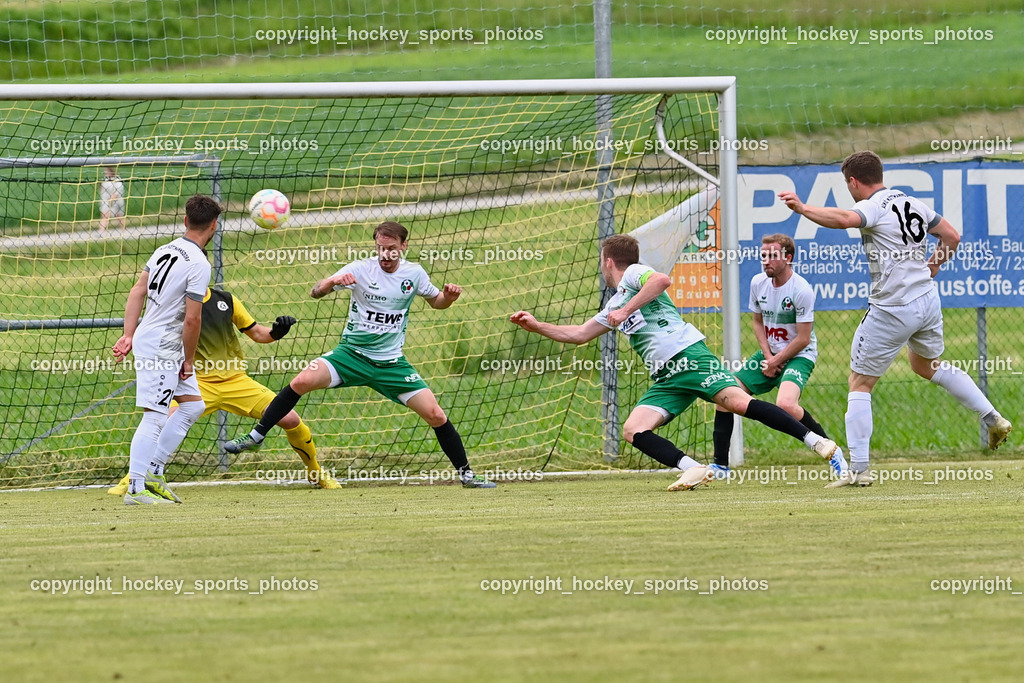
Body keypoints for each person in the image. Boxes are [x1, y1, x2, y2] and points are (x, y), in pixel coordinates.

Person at [509, 234, 840, 492]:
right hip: (667, 377)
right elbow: (580, 334)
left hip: (688, 356)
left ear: (609, 261)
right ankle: (693, 468)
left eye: (601, 263)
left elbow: (662, 281)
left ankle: (818, 442)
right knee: (633, 430)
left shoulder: (635, 274)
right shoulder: (615, 300)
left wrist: (624, 311)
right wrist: (538, 326)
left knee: (738, 403)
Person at [779, 150, 1012, 488]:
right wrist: (933, 265)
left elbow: (844, 219)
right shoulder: (913, 203)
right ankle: (992, 417)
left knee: (860, 383)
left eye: (848, 185)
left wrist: (802, 208)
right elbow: (952, 236)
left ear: (854, 182)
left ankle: (858, 471)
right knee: (926, 366)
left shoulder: (872, 206)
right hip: (927, 301)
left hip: (893, 307)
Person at [223, 221, 497, 489]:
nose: (385, 255)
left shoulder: (414, 274)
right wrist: (332, 281)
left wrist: (448, 297)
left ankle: (467, 476)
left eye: (391, 248)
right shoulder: (360, 269)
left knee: (436, 414)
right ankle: (257, 435)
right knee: (300, 381)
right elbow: (315, 292)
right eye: (380, 248)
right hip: (350, 356)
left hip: (391, 364)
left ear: (403, 246)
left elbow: (437, 302)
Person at [109, 287, 340, 495]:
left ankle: (315, 472)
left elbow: (258, 334)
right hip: (196, 384)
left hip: (236, 382)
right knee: (159, 422)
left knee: (290, 419)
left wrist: (276, 332)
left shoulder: (226, 300)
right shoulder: (175, 303)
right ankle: (134, 478)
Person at [711, 233, 847, 481]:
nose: (766, 261)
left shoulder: (801, 290)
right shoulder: (757, 283)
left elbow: (803, 338)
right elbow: (757, 321)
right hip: (769, 354)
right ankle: (720, 466)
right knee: (724, 395)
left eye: (772, 255)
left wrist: (777, 360)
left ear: (788, 257)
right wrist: (767, 356)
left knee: (786, 404)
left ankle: (832, 452)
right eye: (763, 255)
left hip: (799, 355)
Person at [112, 194, 220, 504]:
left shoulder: (164, 249)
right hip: (163, 345)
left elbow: (137, 290)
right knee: (155, 416)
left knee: (192, 405)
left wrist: (129, 334)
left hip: (153, 337)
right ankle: (135, 489)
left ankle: (155, 472)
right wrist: (188, 359)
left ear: (186, 221)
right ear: (214, 226)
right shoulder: (199, 263)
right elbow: (192, 319)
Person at [98, 166, 126, 232]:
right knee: (105, 215)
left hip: (116, 201)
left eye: (107, 171)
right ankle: (101, 230)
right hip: (106, 201)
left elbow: (118, 191)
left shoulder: (117, 180)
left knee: (119, 215)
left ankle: (123, 229)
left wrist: (112, 199)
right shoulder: (105, 180)